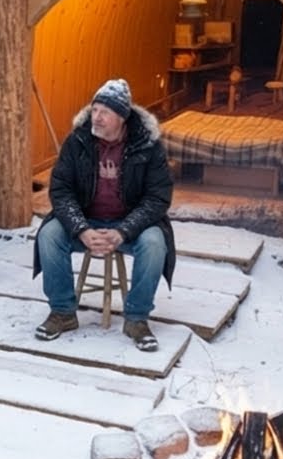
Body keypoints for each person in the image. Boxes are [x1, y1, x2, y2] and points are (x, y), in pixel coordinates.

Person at [32, 78, 176, 352]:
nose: (96, 117)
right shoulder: (78, 142)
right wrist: (82, 229)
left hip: (130, 226)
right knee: (49, 234)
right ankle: (62, 312)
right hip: (87, 221)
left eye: (104, 112)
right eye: (94, 109)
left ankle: (136, 318)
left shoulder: (148, 145)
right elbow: (61, 191)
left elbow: (158, 198)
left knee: (156, 243)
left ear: (122, 117)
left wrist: (124, 231)